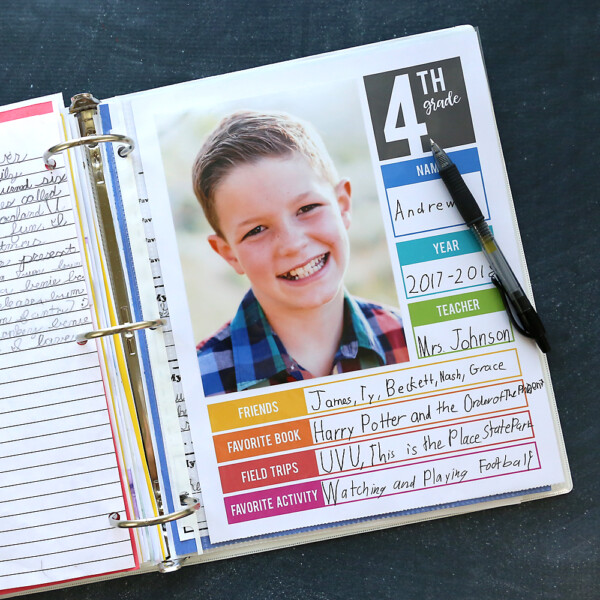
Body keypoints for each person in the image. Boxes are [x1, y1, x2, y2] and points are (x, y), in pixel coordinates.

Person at [192, 110, 409, 396]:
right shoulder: (196, 385)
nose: (292, 244)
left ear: (343, 205)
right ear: (228, 254)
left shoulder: (411, 340)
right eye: (256, 230)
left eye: (307, 209)